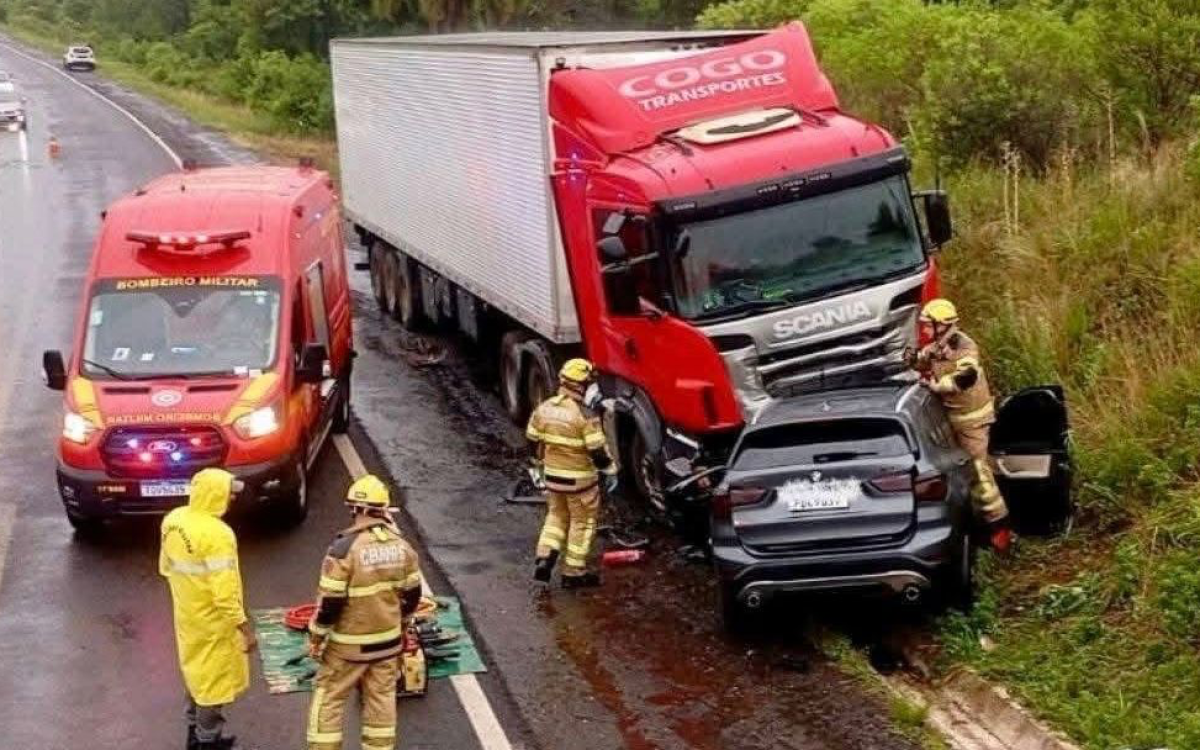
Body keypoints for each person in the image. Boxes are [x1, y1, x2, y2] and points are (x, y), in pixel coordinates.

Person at [306, 475, 422, 750]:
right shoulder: (402, 547)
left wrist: (317, 636)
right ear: (383, 509)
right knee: (381, 699)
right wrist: (402, 624)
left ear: (354, 509)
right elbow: (413, 595)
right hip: (388, 645)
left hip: (348, 647)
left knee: (329, 697)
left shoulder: (344, 549)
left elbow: (330, 604)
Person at [159, 468, 256, 750]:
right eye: (229, 493)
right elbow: (224, 595)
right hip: (214, 623)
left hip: (188, 615)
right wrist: (244, 628)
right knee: (213, 686)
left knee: (195, 675)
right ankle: (207, 741)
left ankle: (195, 733)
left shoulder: (174, 520)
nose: (232, 499)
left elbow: (165, 566)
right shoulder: (218, 534)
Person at [914, 298, 1012, 551]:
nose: (923, 330)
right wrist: (911, 361)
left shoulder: (965, 347)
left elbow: (965, 376)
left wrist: (937, 386)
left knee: (980, 475)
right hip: (950, 420)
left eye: (927, 325)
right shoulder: (937, 346)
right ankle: (971, 521)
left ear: (942, 326)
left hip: (972, 421)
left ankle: (998, 527)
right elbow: (922, 360)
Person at [527, 358, 617, 588]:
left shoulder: (545, 409)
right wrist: (610, 470)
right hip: (580, 481)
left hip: (552, 477)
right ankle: (573, 573)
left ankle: (545, 558)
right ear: (581, 385)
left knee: (556, 516)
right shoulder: (585, 415)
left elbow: (532, 440)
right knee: (582, 523)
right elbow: (597, 451)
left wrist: (539, 464)